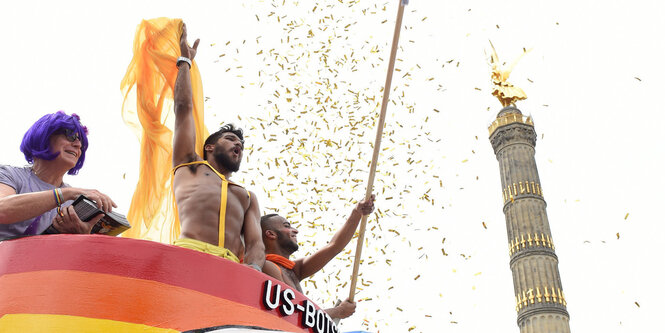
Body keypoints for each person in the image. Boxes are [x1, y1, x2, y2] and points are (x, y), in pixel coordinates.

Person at [171, 23, 264, 271]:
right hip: (188, 256)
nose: (238, 145)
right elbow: (183, 109)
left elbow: (256, 243)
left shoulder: (246, 196)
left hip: (231, 269)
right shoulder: (188, 165)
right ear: (209, 147)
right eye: (231, 139)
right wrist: (185, 61)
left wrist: (253, 270)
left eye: (241, 144)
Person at [0, 111, 117, 239]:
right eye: (70, 136)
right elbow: (2, 210)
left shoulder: (74, 200)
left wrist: (82, 236)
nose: (78, 145)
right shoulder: (9, 174)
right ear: (44, 136)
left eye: (81, 143)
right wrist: (63, 194)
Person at [260, 194, 376, 319]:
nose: (295, 230)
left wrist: (357, 213)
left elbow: (333, 246)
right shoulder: (267, 266)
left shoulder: (293, 269)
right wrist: (338, 311)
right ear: (271, 234)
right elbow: (293, 315)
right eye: (287, 226)